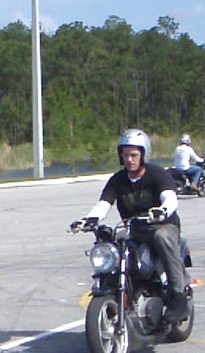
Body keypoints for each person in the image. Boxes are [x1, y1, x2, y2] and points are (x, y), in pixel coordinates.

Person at [70, 128, 189, 322]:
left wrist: (162, 210)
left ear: (143, 154)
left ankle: (178, 297)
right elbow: (104, 204)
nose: (129, 159)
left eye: (134, 155)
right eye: (125, 155)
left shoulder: (157, 174)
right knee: (110, 244)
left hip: (162, 226)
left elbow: (170, 198)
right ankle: (115, 288)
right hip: (134, 229)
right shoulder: (118, 179)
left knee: (162, 238)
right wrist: (89, 220)